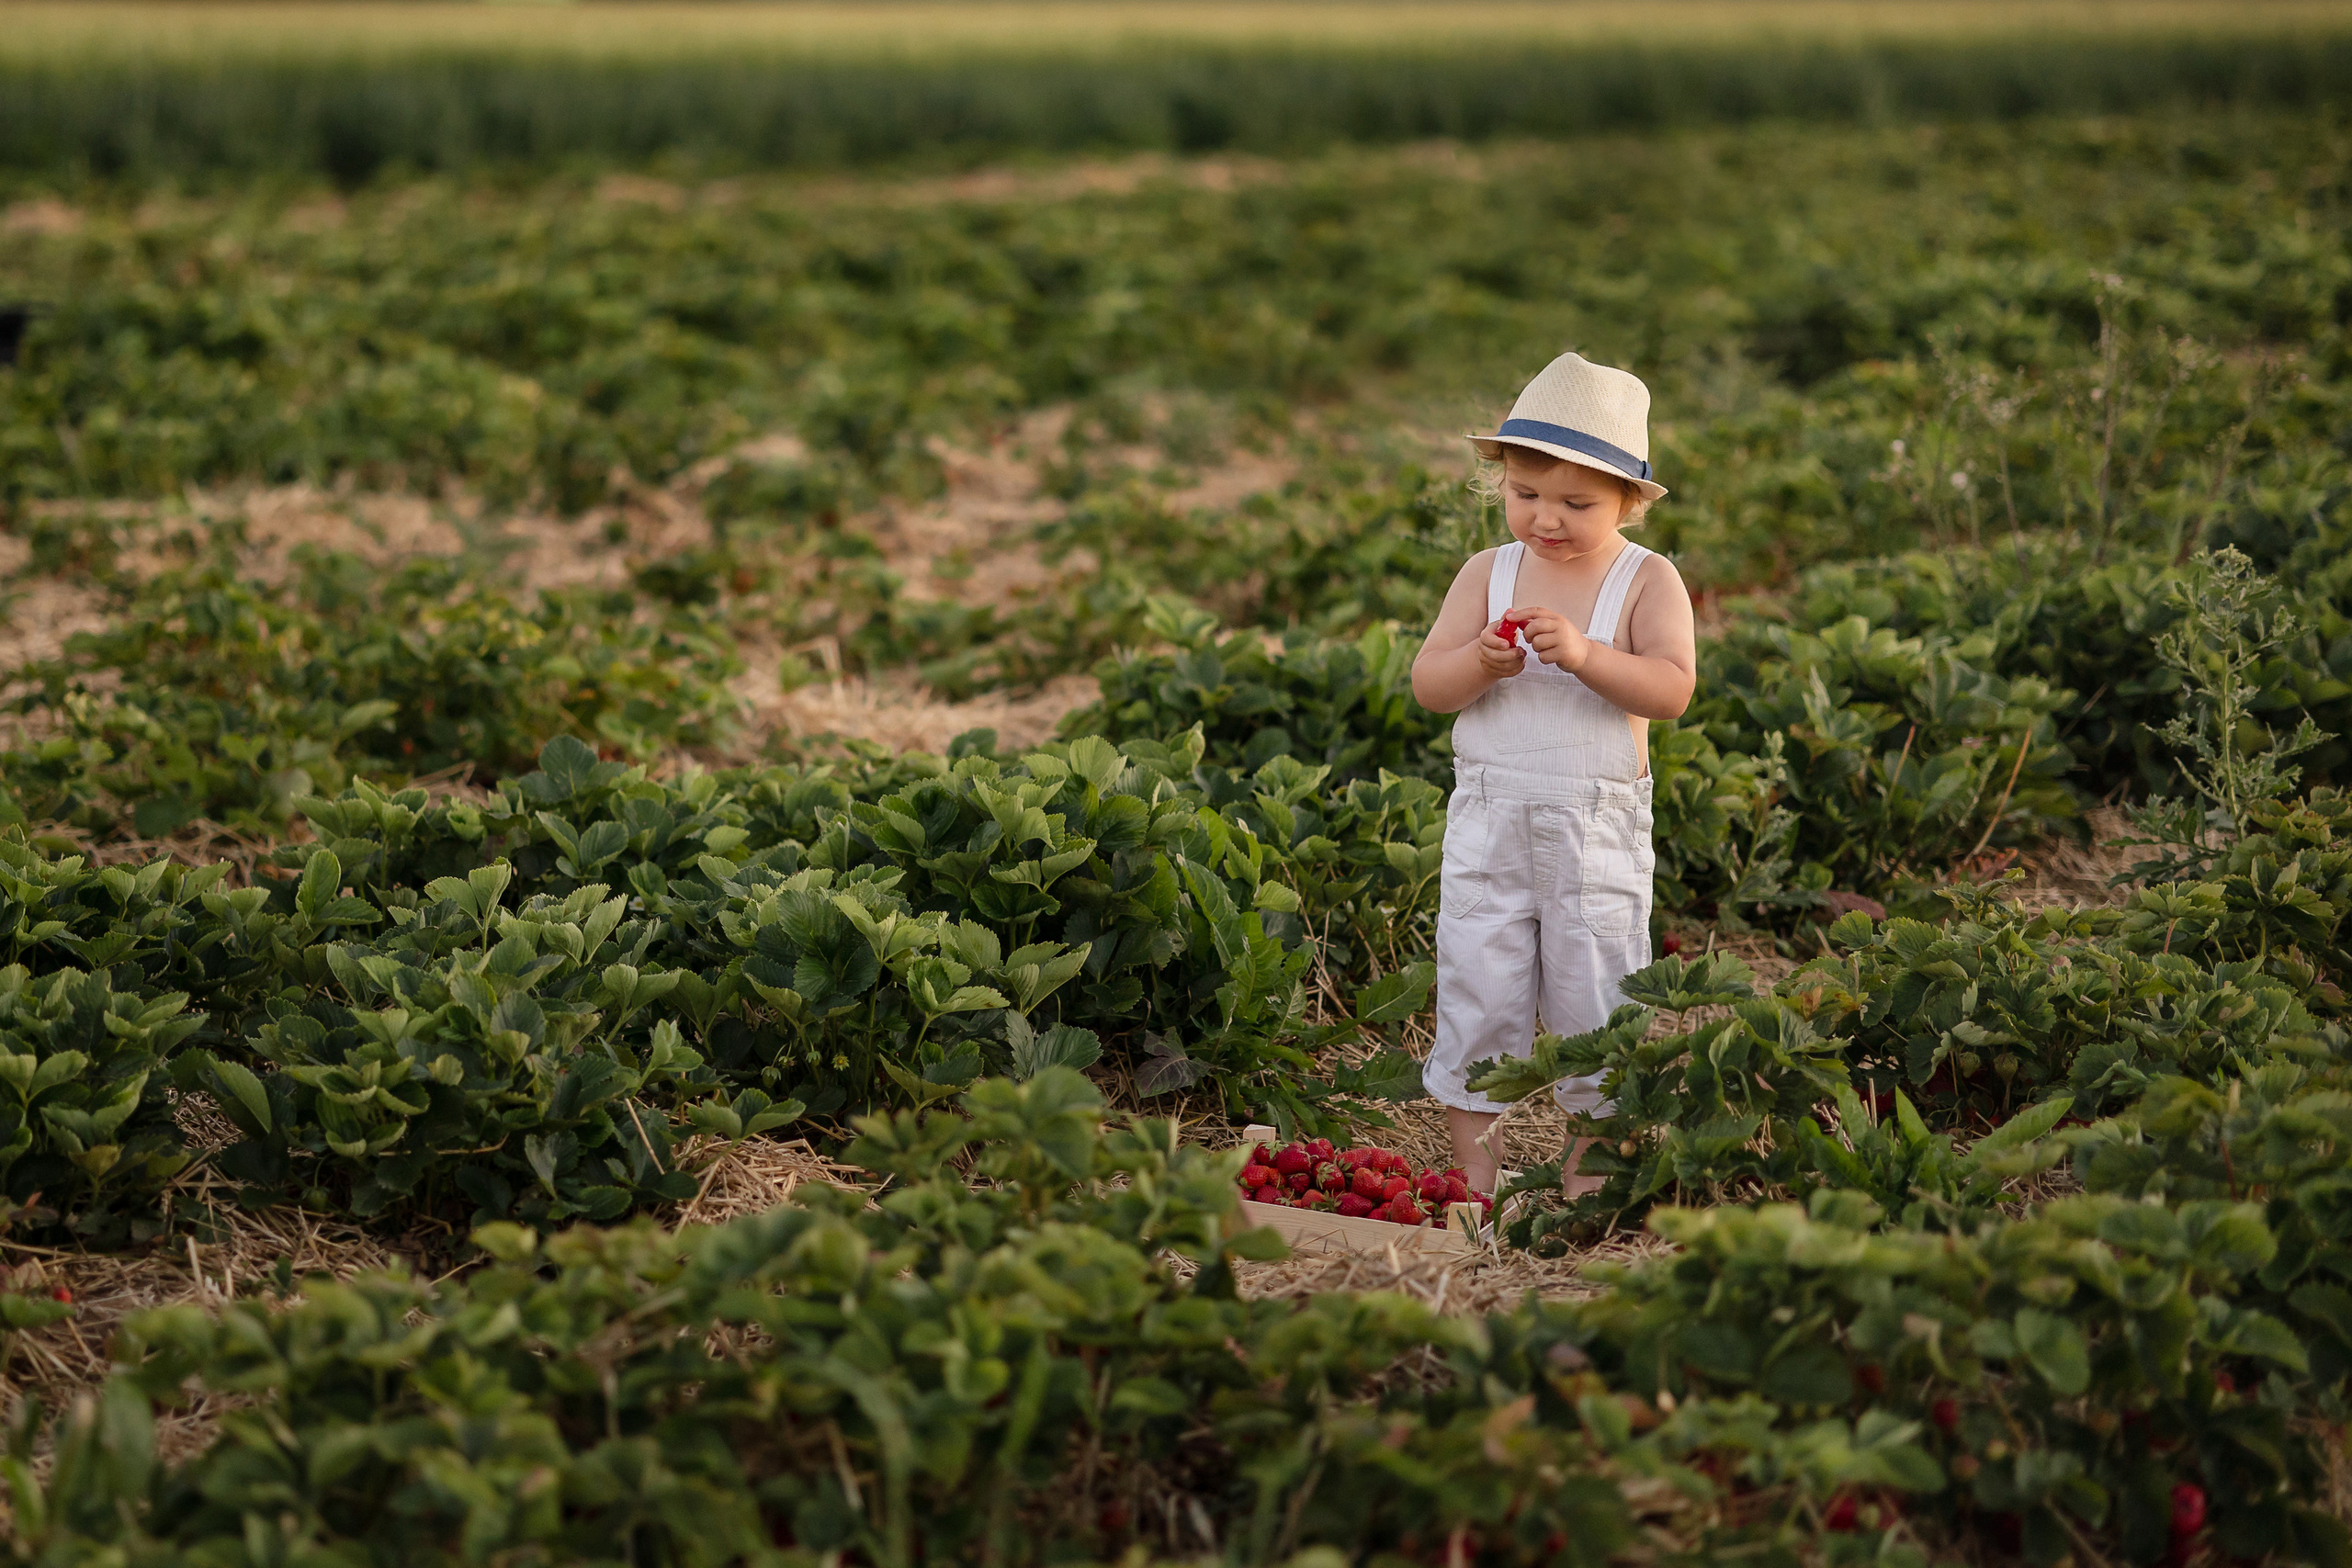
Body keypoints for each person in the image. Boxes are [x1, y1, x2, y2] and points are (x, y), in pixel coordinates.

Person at [1409, 351, 1697, 1198]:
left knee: (1597, 991)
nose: (1547, 519)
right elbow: (1430, 685)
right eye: (1526, 494)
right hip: (1492, 822)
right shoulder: (1485, 574)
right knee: (1477, 980)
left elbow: (1673, 689)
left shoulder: (1646, 580)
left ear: (1629, 501)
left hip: (1594, 832)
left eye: (1577, 502)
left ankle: (1590, 1169)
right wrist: (1480, 663)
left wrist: (1586, 655)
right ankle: (1475, 1172)